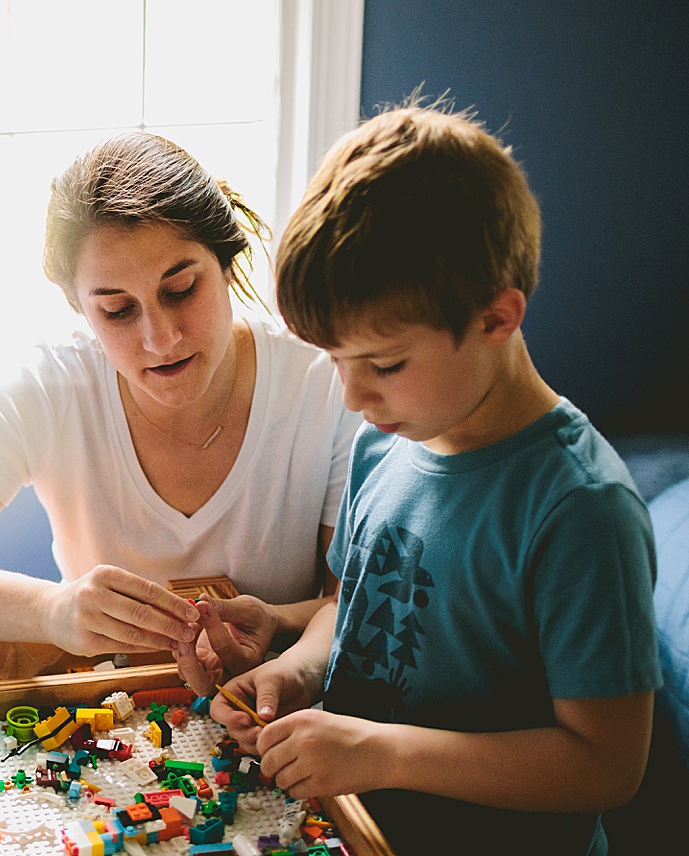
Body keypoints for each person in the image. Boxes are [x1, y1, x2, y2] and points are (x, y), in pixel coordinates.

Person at [208, 105, 660, 856]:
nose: (353, 396)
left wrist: (382, 751)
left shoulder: (580, 509)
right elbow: (348, 611)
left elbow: (606, 763)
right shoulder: (381, 446)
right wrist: (293, 673)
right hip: (358, 830)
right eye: (335, 362)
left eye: (384, 365)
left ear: (496, 319)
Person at [0, 132, 359, 680]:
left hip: (277, 716)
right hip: (110, 727)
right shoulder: (50, 387)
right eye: (116, 310)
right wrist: (49, 609)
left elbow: (352, 602)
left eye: (181, 289)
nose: (160, 338)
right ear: (78, 307)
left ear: (227, 264)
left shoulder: (324, 383)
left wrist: (276, 623)